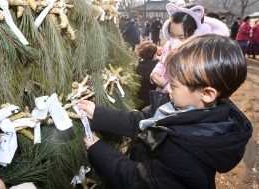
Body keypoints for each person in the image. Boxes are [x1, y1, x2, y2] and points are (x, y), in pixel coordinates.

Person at [80, 33, 252, 189]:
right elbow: (138, 120)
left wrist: (98, 150)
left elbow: (138, 181)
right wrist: (98, 113)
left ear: (207, 94)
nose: (168, 89)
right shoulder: (178, 108)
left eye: (174, 86)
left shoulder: (184, 152)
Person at [150, 3, 229, 93]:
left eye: (181, 38)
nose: (174, 41)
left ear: (197, 34)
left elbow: (192, 92)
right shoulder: (168, 46)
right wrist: (156, 72)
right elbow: (162, 62)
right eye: (172, 35)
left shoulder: (199, 57)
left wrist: (166, 86)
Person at [135, 41, 158, 110]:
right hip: (152, 100)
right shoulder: (157, 70)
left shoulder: (137, 67)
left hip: (139, 99)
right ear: (154, 55)